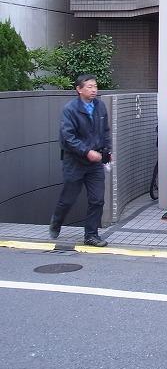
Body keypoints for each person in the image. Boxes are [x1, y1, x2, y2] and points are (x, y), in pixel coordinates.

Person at [49, 74, 112, 247]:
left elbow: (105, 131)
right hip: (75, 161)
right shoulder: (70, 109)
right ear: (79, 89)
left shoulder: (99, 106)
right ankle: (57, 221)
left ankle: (91, 235)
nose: (94, 90)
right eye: (89, 87)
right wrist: (86, 152)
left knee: (97, 199)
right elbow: (67, 137)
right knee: (68, 199)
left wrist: (107, 150)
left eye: (95, 86)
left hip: (95, 163)